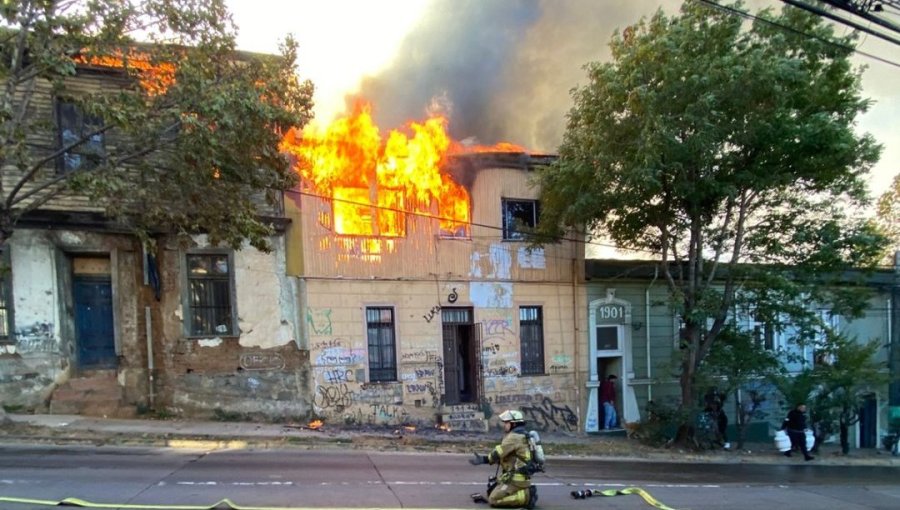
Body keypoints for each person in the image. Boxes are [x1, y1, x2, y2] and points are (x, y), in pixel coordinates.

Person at [468, 409, 538, 509]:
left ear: (513, 424)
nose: (504, 425)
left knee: (493, 500)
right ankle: (523, 492)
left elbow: (498, 453)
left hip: (516, 480)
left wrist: (483, 460)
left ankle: (527, 496)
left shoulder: (514, 437)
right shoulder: (523, 435)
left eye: (506, 423)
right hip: (521, 477)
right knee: (491, 491)